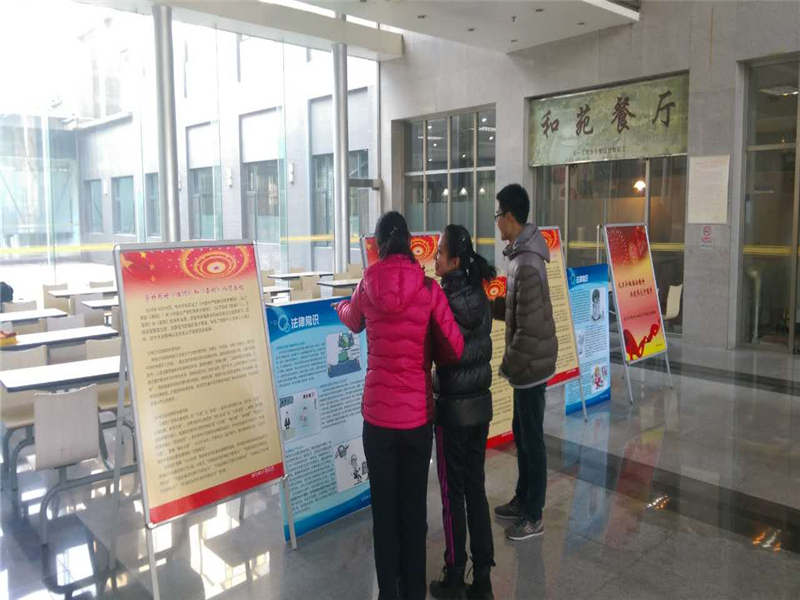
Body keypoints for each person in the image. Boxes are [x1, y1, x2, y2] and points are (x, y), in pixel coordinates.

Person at [335, 211, 464, 600]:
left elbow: (352, 320)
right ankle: (413, 592)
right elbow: (455, 347)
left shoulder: (366, 284)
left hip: (377, 421)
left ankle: (387, 594)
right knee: (413, 510)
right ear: (409, 243)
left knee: (384, 513)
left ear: (377, 246)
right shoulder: (428, 288)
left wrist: (339, 307)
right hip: (416, 421)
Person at [429, 225, 497, 600]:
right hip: (480, 407)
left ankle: (454, 574)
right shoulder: (480, 295)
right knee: (476, 489)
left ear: (454, 261)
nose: (434, 257)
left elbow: (437, 351)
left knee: (452, 493)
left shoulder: (441, 300)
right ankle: (482, 577)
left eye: (440, 252)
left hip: (453, 411)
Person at [492, 184, 558, 541]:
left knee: (532, 440)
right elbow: (519, 310)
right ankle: (523, 498)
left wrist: (508, 365)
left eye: (498, 215)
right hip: (529, 364)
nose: (497, 222)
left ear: (510, 217)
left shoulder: (527, 263)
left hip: (530, 365)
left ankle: (534, 515)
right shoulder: (520, 255)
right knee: (523, 433)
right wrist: (490, 306)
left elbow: (529, 330)